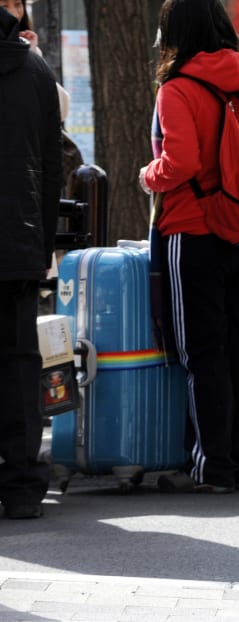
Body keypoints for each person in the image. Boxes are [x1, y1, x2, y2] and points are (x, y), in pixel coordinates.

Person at [140, 0, 239, 494]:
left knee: (201, 353)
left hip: (191, 231)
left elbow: (180, 163)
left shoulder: (177, 89)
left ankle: (211, 464)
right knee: (235, 345)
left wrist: (149, 175)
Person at [0, 5, 62, 519]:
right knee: (20, 364)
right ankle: (21, 483)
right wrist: (42, 244)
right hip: (17, 241)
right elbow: (52, 164)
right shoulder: (34, 68)